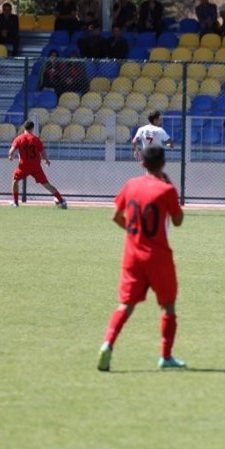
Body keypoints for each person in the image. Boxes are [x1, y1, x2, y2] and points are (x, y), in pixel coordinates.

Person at [97, 145, 186, 372]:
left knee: (125, 305)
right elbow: (177, 221)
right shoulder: (166, 190)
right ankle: (165, 356)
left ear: (142, 163)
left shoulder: (131, 185)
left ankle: (108, 343)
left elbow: (115, 216)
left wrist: (133, 231)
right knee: (168, 307)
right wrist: (170, 186)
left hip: (133, 255)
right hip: (158, 257)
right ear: (163, 164)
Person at [7, 120, 68, 209]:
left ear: (24, 128)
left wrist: (10, 156)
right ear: (32, 128)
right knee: (47, 184)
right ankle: (62, 201)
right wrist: (46, 160)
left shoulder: (19, 138)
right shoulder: (36, 139)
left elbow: (11, 151)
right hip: (36, 167)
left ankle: (16, 203)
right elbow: (42, 152)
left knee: (15, 181)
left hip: (23, 166)